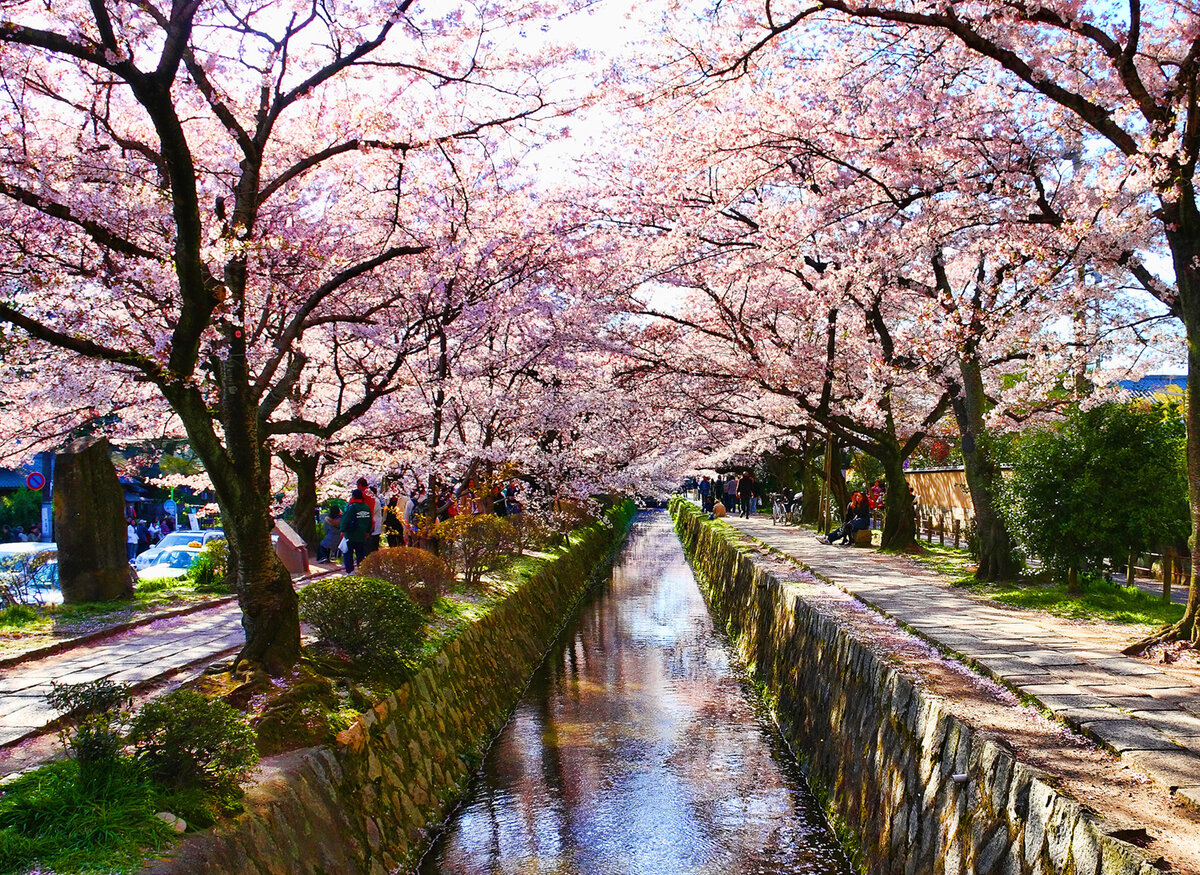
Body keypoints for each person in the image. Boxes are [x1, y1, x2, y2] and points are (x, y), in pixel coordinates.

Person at [340, 489, 373, 573]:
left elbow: (345, 520)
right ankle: (362, 570)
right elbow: (370, 521)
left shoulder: (352, 507)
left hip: (351, 534)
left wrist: (342, 530)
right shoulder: (366, 507)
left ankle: (350, 571)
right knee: (361, 554)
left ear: (353, 497)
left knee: (348, 554)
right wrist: (367, 531)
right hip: (362, 535)